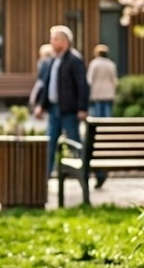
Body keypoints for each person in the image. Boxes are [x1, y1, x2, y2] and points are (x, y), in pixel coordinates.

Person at [33, 25, 89, 179]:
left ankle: (90, 174)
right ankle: (45, 177)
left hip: (69, 111)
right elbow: (48, 84)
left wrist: (82, 108)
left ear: (65, 42)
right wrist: (41, 105)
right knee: (50, 143)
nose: (51, 42)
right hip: (54, 110)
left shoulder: (74, 60)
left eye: (55, 39)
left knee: (75, 143)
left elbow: (82, 85)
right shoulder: (53, 60)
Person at [86, 44, 119, 189]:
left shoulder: (94, 64)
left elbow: (89, 79)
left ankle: (99, 130)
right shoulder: (111, 65)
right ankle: (107, 130)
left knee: (97, 117)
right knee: (106, 116)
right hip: (108, 93)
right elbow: (114, 80)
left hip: (97, 93)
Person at [27, 42, 54, 109]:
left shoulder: (44, 61)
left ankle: (35, 106)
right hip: (45, 81)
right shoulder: (51, 60)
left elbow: (42, 73)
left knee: (35, 95)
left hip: (42, 81)